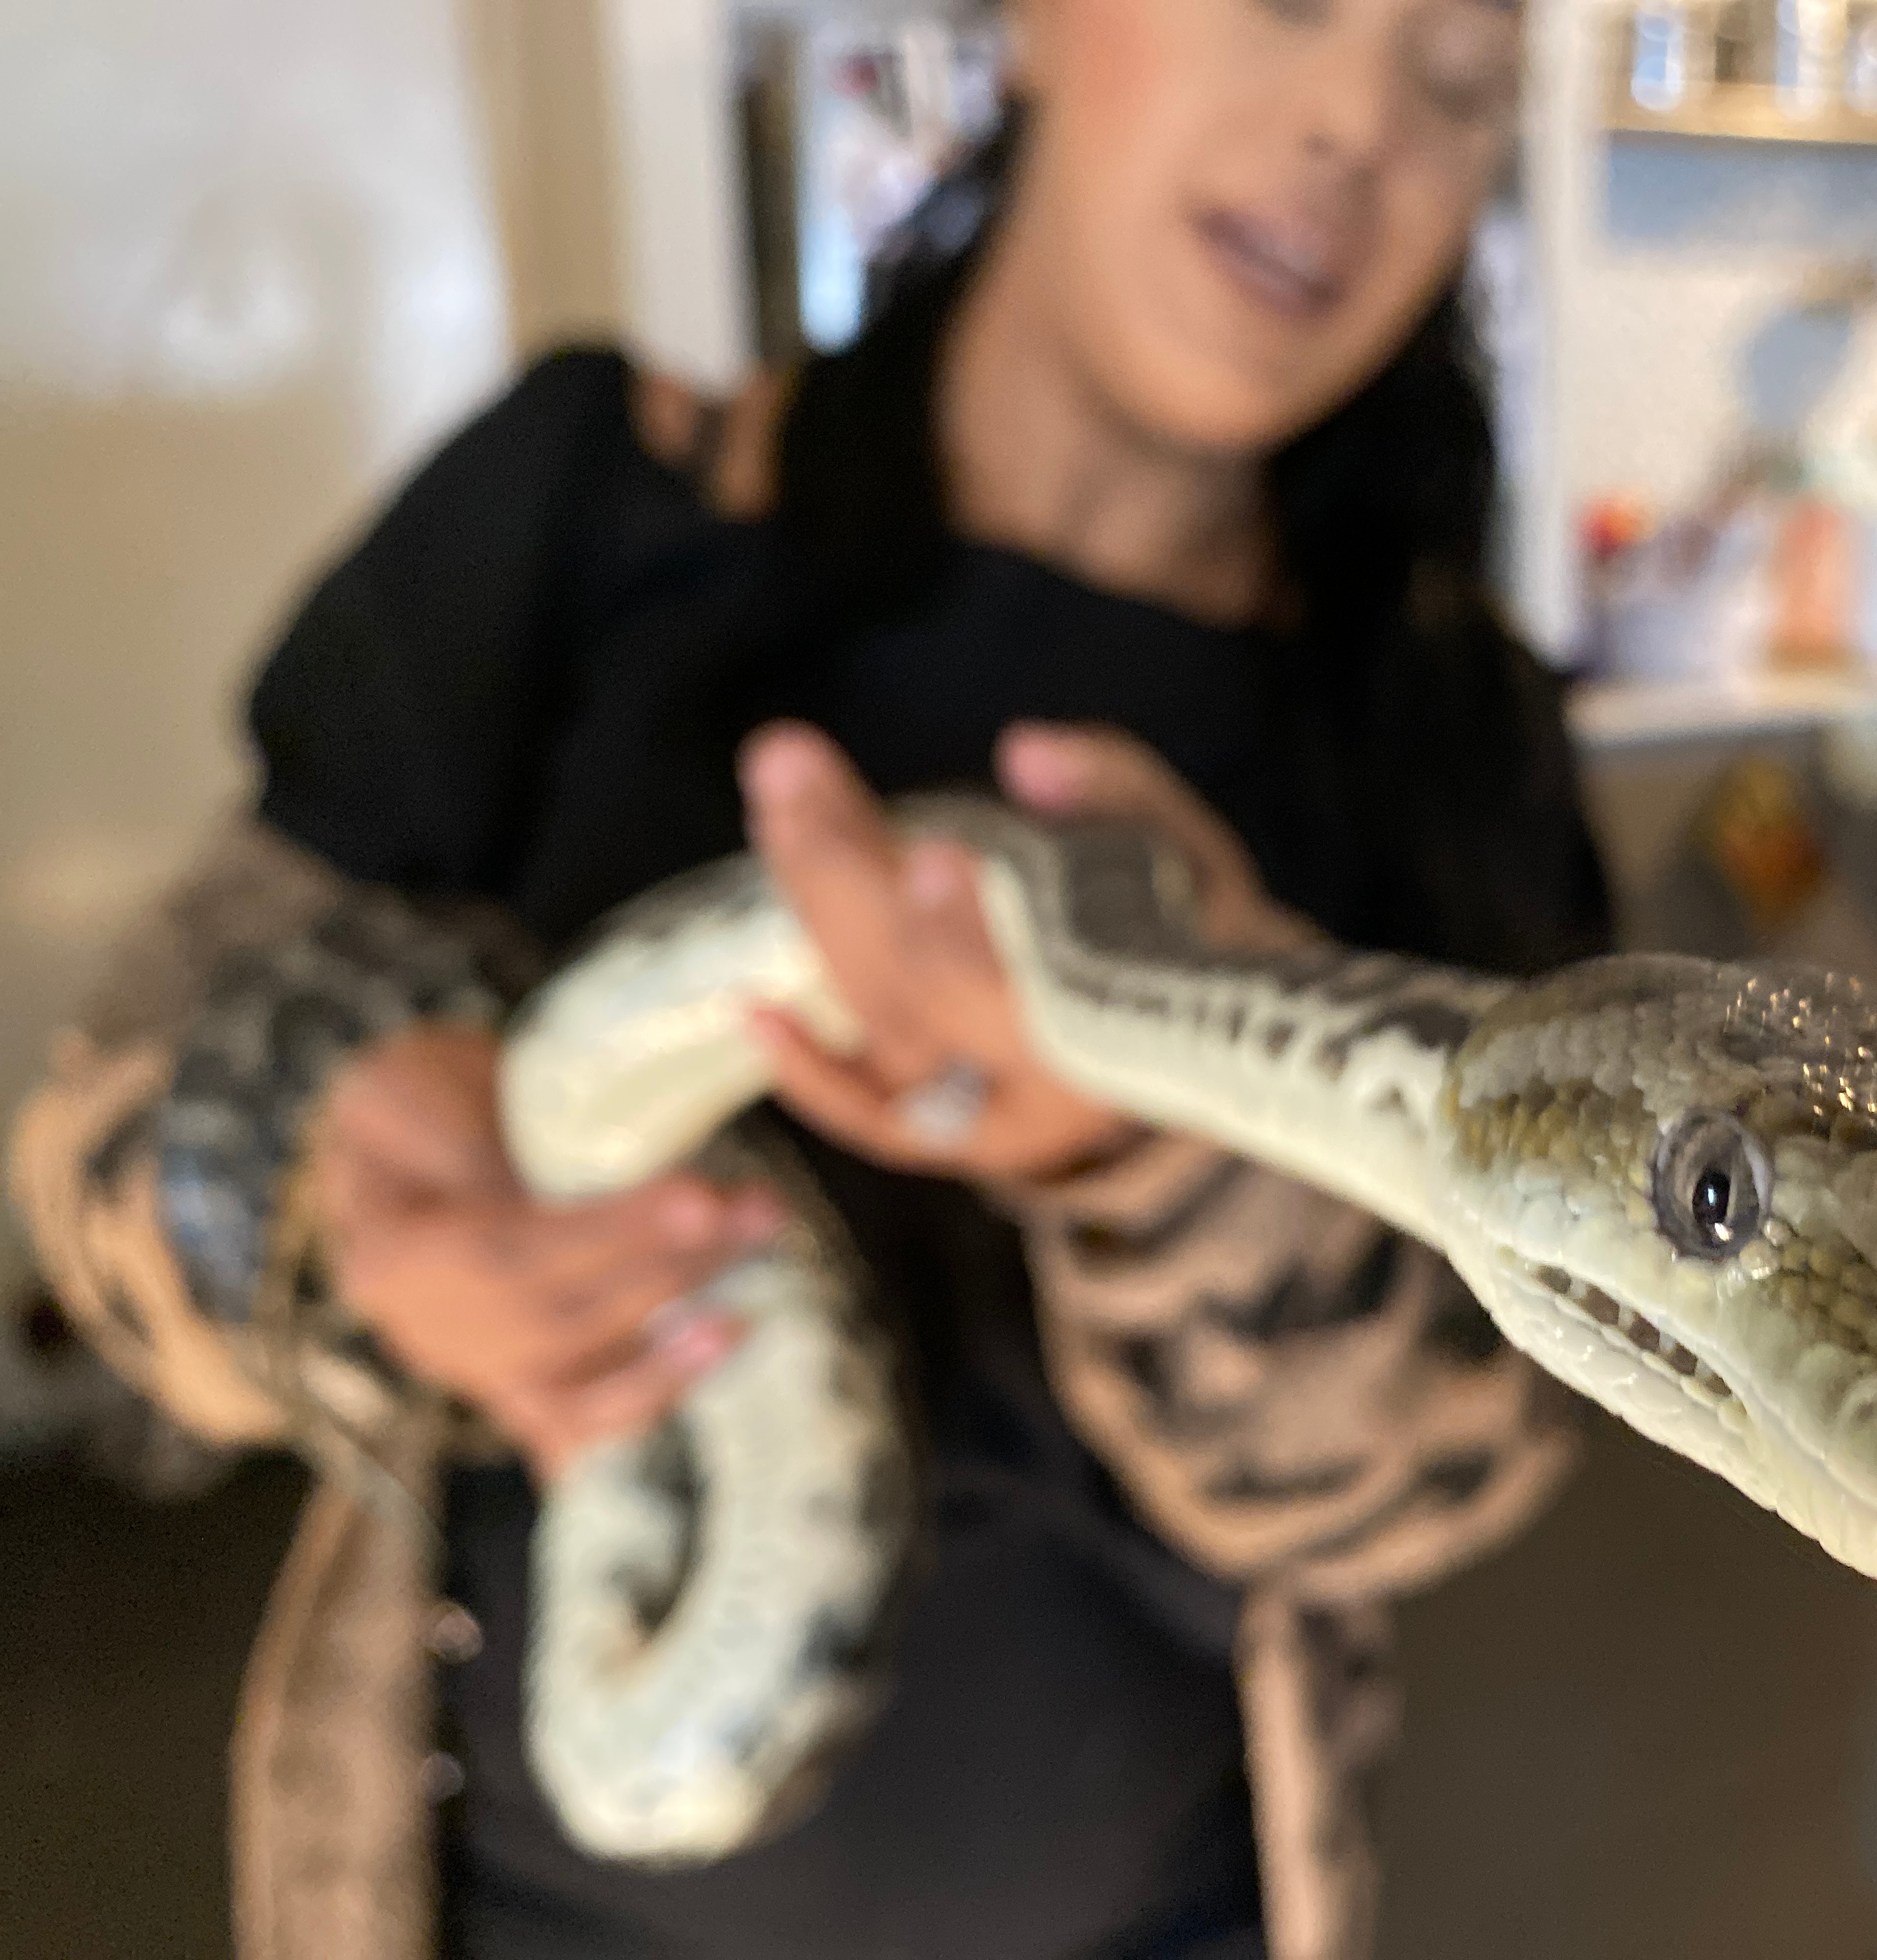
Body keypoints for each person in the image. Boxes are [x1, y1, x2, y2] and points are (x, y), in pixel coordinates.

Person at [10, 1, 1608, 1955]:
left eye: (1461, 83)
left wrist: (1147, 1163)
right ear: (1038, 25)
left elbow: (1448, 1485)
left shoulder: (1458, 736)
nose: (1359, 121)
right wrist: (330, 1195)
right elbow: (91, 1152)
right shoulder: (588, 503)